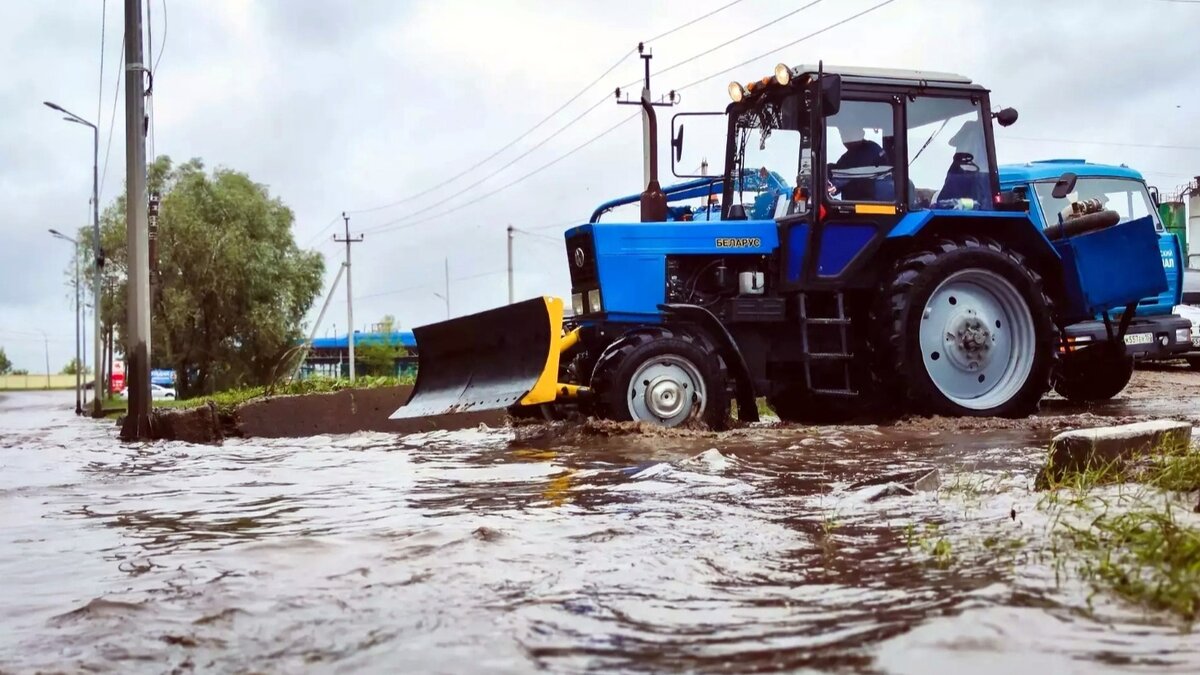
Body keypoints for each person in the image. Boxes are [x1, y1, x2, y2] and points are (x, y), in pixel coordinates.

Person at [831, 124, 888, 200]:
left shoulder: (872, 149)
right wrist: (831, 185)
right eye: (843, 135)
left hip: (874, 203)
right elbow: (837, 177)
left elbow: (859, 170)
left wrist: (838, 183)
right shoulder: (845, 159)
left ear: (861, 133)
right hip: (851, 206)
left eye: (850, 135)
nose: (847, 140)